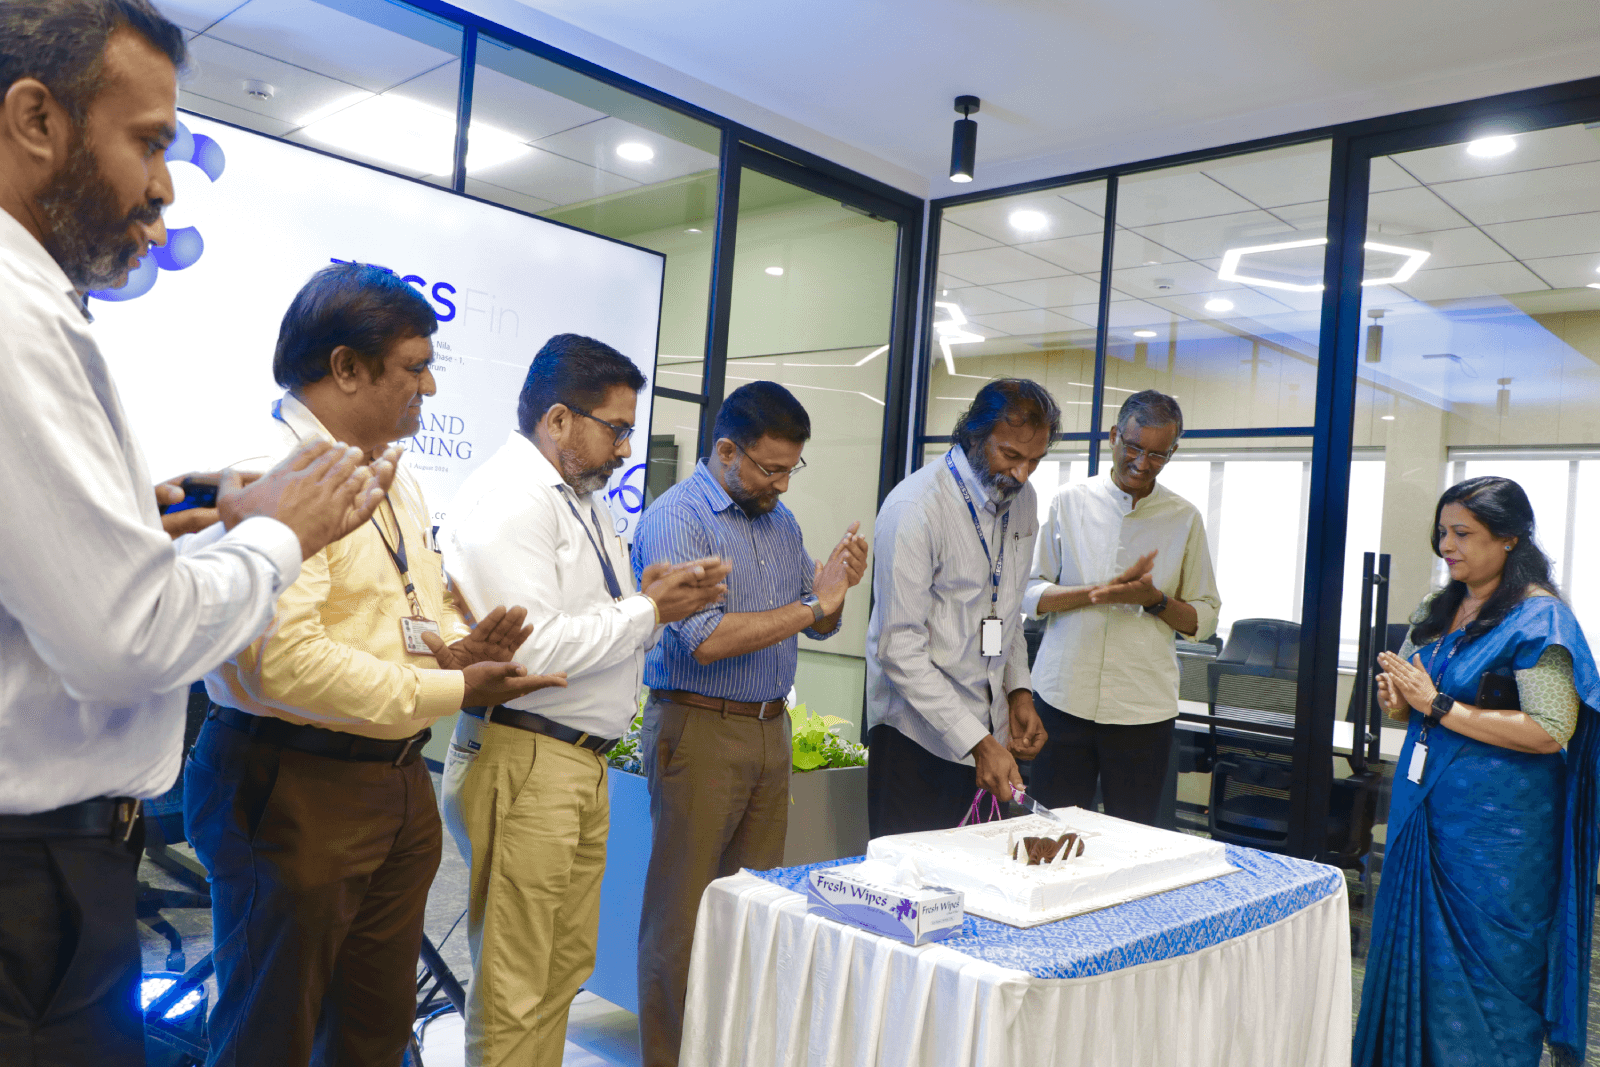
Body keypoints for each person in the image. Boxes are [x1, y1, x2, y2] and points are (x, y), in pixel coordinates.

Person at [0, 5, 402, 1064]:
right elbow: (123, 638)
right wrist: (276, 535)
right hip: (33, 873)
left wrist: (165, 526)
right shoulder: (15, 314)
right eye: (148, 141)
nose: (164, 186)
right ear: (35, 119)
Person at [184, 264, 566, 1067]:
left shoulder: (397, 476)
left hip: (393, 778)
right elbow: (286, 667)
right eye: (414, 365)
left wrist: (453, 646)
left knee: (372, 1034)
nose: (428, 385)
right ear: (345, 367)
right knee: (269, 1037)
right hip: (294, 782)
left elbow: (397, 611)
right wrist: (458, 684)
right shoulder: (269, 472)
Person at [438, 335, 730, 1067]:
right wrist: (648, 612)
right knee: (517, 980)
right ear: (560, 419)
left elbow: (584, 618)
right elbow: (532, 651)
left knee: (560, 970)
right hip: (526, 752)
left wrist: (645, 597)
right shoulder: (512, 499)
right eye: (618, 427)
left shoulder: (579, 498)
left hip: (574, 760)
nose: (627, 447)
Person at [631, 381, 869, 1067]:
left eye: (793, 468)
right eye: (770, 467)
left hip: (770, 729)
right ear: (726, 450)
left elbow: (815, 617)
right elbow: (703, 638)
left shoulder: (779, 522)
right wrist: (810, 606)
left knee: (753, 908)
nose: (782, 483)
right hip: (700, 728)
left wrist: (834, 593)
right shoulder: (679, 519)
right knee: (680, 920)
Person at [1354, 476, 1600, 1067]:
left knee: (1489, 989)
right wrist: (1400, 700)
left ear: (1510, 538)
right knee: (1417, 967)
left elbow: (1550, 729)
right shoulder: (1443, 609)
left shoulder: (1542, 622)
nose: (1447, 546)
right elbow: (1419, 704)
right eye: (1442, 532)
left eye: (1463, 533)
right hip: (1426, 814)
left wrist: (1438, 704)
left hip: (1499, 843)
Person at [865, 378, 1054, 838]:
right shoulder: (916, 508)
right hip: (918, 739)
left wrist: (1020, 693)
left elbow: (1007, 615)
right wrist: (976, 741)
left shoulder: (1022, 501)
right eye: (1011, 456)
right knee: (915, 894)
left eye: (1035, 460)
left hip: (988, 735)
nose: (1023, 474)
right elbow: (898, 648)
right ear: (973, 436)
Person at [1022, 389, 1220, 826]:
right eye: (1132, 447)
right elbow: (1029, 592)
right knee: (1049, 834)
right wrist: (1095, 593)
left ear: (1172, 452)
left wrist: (1155, 600)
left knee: (1135, 842)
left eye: (1157, 454)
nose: (1143, 463)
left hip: (1142, 711)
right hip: (1062, 699)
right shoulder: (1068, 502)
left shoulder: (1183, 518)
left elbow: (1203, 619)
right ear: (1113, 436)